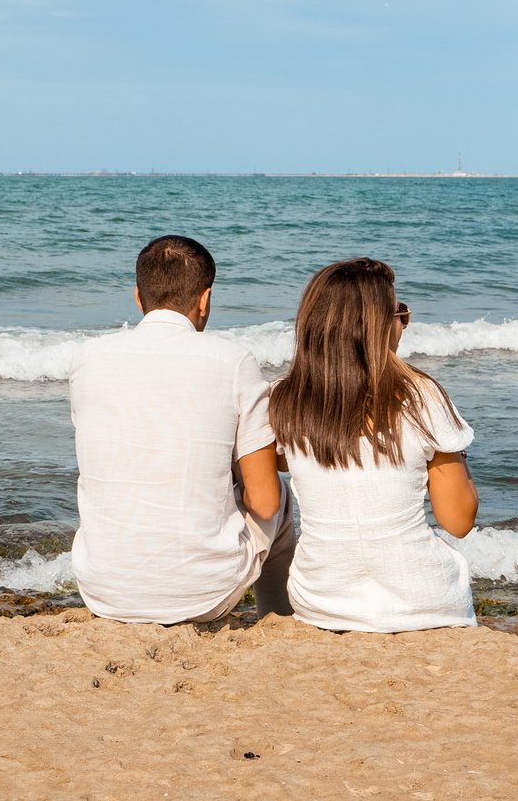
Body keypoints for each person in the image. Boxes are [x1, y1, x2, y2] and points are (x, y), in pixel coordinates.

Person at [68, 235, 296, 624]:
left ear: (138, 298)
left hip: (102, 591)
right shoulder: (234, 361)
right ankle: (278, 617)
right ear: (204, 299)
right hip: (201, 595)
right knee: (282, 498)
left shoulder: (86, 359)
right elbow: (264, 504)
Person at [269, 257, 480, 632]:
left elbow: (288, 467)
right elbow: (458, 521)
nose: (403, 322)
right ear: (379, 327)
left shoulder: (283, 401)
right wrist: (452, 446)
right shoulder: (422, 396)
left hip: (322, 602)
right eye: (399, 312)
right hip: (423, 603)